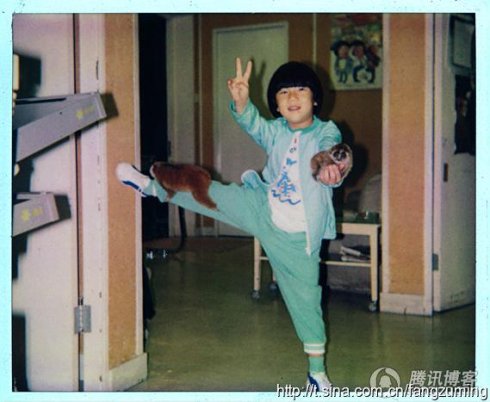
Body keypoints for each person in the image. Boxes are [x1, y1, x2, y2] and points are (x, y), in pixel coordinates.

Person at [116, 57, 344, 391]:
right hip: (262, 207)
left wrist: (331, 166)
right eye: (283, 92)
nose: (293, 97)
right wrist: (241, 102)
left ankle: (316, 374)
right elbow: (254, 124)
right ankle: (151, 187)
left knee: (306, 301)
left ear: (315, 99)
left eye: (300, 90)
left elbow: (333, 152)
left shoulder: (326, 130)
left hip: (299, 238)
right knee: (211, 193)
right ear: (276, 104)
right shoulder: (276, 131)